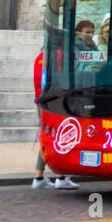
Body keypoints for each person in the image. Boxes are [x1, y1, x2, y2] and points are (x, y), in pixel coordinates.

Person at [31, 50, 78, 190]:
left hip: (42, 101)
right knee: (57, 136)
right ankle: (60, 177)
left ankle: (39, 177)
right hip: (54, 102)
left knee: (49, 136)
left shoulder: (41, 56)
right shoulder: (58, 55)